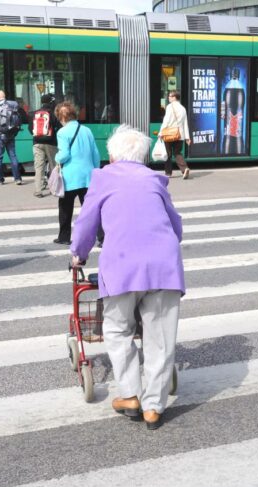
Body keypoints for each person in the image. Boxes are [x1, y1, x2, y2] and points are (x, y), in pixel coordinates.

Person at [70, 125, 184, 430]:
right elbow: (176, 225)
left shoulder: (103, 177)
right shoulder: (155, 179)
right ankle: (154, 407)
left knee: (118, 329)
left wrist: (78, 253)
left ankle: (131, 395)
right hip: (163, 266)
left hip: (121, 265)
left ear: (113, 154)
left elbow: (86, 223)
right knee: (159, 337)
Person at [53, 101, 100, 245]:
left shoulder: (62, 132)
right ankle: (103, 237)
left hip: (70, 177)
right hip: (88, 176)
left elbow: (64, 154)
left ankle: (64, 237)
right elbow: (95, 153)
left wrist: (56, 158)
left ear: (61, 118)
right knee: (92, 209)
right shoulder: (86, 130)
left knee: (65, 208)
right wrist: (95, 170)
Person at [28, 94, 62, 198]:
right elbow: (59, 126)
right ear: (51, 102)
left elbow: (30, 129)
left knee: (39, 167)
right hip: (50, 143)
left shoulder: (34, 113)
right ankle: (54, 189)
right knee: (53, 166)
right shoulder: (52, 114)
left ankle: (38, 190)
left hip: (37, 142)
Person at [0, 90, 22, 185]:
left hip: (0, 136)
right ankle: (17, 179)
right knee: (13, 156)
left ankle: (0, 179)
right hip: (11, 135)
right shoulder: (12, 106)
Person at [159, 90, 191, 179]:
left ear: (174, 97)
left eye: (170, 96)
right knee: (177, 153)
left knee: (168, 154)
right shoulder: (183, 108)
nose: (168, 97)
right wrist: (187, 137)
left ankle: (168, 173)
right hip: (180, 135)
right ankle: (185, 169)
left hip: (169, 134)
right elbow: (185, 123)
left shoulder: (169, 107)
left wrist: (160, 132)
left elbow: (166, 121)